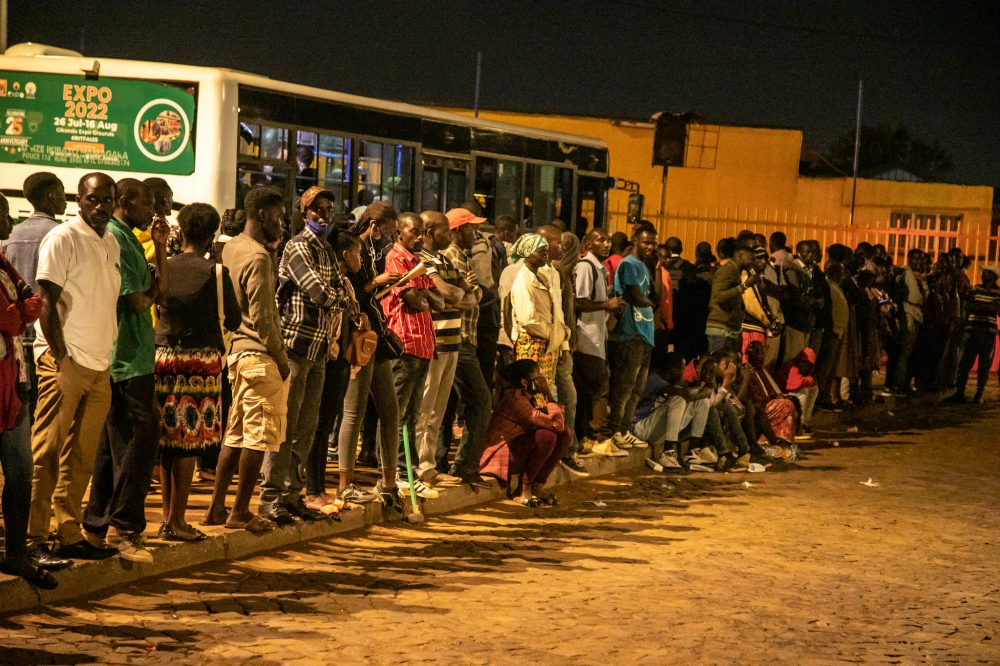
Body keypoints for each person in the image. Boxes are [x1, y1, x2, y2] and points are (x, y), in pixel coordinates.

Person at [28, 172, 121, 563]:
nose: (99, 206)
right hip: (65, 361)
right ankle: (32, 540)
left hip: (100, 366)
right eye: (92, 199)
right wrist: (60, 356)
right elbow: (45, 300)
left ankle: (67, 532)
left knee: (80, 456)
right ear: (77, 199)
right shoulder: (62, 238)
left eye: (107, 199)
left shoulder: (112, 242)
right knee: (46, 451)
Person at [82, 179, 170, 563]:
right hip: (125, 357)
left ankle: (97, 524)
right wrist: (150, 292)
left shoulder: (132, 238)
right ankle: (126, 528)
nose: (154, 209)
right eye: (147, 201)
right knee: (139, 439)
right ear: (125, 201)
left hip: (135, 356)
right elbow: (137, 300)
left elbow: (158, 292)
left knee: (114, 443)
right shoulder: (116, 238)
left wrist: (162, 248)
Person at [258, 186, 350, 525]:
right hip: (294, 348)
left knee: (306, 429)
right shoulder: (298, 247)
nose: (324, 215)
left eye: (328, 208)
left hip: (318, 350)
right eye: (317, 210)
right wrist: (339, 300)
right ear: (305, 213)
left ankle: (291, 493)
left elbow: (340, 290)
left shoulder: (325, 249)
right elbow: (321, 293)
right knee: (284, 427)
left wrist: (339, 299)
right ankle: (270, 498)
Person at [203, 186, 290, 534]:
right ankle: (240, 511)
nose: (283, 224)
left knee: (235, 434)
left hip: (235, 354)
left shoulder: (228, 248)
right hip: (259, 355)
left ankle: (215, 509)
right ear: (264, 215)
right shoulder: (257, 257)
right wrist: (282, 360)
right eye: (280, 217)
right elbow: (265, 319)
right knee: (258, 436)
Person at [154, 203, 241, 541]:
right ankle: (177, 520)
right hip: (201, 364)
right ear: (210, 236)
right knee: (188, 444)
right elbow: (232, 320)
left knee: (166, 443)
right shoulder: (216, 273)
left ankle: (165, 517)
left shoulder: (164, 266)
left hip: (161, 357)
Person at [338, 202, 405, 512]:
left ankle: (388, 481)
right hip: (357, 337)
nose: (388, 238)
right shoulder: (353, 249)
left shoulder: (372, 251)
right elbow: (352, 293)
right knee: (353, 411)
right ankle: (344, 485)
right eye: (386, 231)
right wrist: (378, 282)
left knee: (390, 410)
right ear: (374, 225)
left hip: (373, 334)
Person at [0, 211, 54, 588]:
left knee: (20, 473)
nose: (8, 221)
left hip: (13, 379)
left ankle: (16, 552)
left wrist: (20, 312)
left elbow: (30, 302)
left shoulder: (2, 260)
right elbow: (11, 317)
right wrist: (20, 312)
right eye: (3, 215)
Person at [306, 228, 371, 510]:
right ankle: (313, 489)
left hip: (341, 361)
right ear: (345, 255)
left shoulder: (343, 282)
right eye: (358, 252)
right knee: (319, 427)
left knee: (324, 425)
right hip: (330, 361)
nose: (361, 259)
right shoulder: (334, 282)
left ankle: (317, 488)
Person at [382, 212, 445, 499]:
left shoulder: (417, 263)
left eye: (422, 232)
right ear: (399, 234)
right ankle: (395, 472)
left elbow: (439, 300)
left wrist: (425, 295)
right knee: (396, 412)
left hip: (422, 344)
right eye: (414, 232)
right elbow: (415, 299)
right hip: (404, 342)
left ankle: (409, 471)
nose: (420, 237)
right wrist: (425, 294)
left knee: (411, 413)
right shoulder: (396, 258)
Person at [414, 210, 475, 484]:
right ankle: (418, 467)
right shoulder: (423, 260)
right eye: (445, 230)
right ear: (429, 232)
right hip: (434, 342)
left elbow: (473, 297)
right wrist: (454, 296)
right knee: (424, 408)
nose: (450, 234)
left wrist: (452, 297)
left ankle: (428, 466)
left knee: (438, 410)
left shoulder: (442, 259)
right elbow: (451, 293)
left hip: (451, 342)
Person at [2, 173, 66, 422]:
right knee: (47, 412)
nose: (65, 201)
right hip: (47, 334)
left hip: (15, 335)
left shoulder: (11, 235)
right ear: (52, 196)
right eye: (62, 194)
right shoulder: (63, 235)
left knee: (20, 410)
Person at [437, 207, 494, 486]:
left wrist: (471, 291)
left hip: (462, 337)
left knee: (446, 405)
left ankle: (445, 463)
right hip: (455, 338)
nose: (477, 233)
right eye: (472, 228)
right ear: (458, 231)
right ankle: (464, 467)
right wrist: (470, 291)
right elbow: (462, 298)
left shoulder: (462, 258)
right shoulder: (450, 257)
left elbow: (478, 292)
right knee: (481, 401)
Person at [480, 359, 569, 508]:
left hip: (515, 451)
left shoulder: (526, 396)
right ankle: (523, 489)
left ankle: (537, 487)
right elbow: (556, 424)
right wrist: (547, 394)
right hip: (499, 456)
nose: (541, 381)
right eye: (537, 377)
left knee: (565, 435)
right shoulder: (515, 399)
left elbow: (560, 427)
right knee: (547, 437)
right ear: (524, 381)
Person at [571, 228, 624, 462]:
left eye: (608, 240)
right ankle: (601, 438)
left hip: (595, 338)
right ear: (588, 244)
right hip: (586, 338)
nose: (606, 244)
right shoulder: (586, 267)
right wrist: (607, 305)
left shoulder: (599, 270)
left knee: (587, 391)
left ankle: (586, 437)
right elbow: (579, 302)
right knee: (601, 387)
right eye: (601, 240)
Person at [606, 224, 659, 453]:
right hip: (631, 332)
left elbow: (654, 296)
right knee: (624, 387)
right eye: (646, 242)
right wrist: (649, 303)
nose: (650, 247)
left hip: (645, 333)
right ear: (635, 240)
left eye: (653, 243)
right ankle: (615, 431)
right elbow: (637, 297)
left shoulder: (645, 267)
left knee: (637, 388)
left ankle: (625, 430)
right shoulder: (628, 264)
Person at [631, 352, 711, 472]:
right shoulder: (654, 379)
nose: (683, 374)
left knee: (702, 401)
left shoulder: (671, 382)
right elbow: (687, 394)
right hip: (641, 428)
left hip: (658, 430)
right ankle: (668, 452)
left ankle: (692, 451)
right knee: (679, 399)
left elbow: (705, 394)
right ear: (673, 370)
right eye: (682, 370)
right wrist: (701, 386)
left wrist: (704, 389)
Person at [509, 233, 569, 389]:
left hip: (544, 343)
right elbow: (528, 320)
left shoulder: (542, 277)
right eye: (540, 251)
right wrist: (554, 333)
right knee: (533, 392)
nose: (545, 254)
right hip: (532, 344)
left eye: (546, 250)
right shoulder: (523, 281)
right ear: (527, 253)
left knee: (543, 391)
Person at [948, 267, 1000, 404]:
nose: (983, 275)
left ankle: (978, 394)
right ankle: (960, 392)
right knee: (965, 363)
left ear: (995, 276)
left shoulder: (995, 292)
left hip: (983, 331)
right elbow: (969, 305)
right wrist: (987, 307)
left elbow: (994, 308)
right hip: (976, 331)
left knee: (984, 365)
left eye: (987, 273)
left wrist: (979, 306)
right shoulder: (977, 288)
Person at [706, 246, 757, 353]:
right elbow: (717, 296)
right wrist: (744, 286)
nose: (753, 262)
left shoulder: (735, 270)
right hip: (721, 329)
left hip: (729, 329)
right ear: (740, 256)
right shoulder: (728, 270)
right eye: (751, 259)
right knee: (721, 364)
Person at [776, 347, 819, 435]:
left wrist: (810, 381)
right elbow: (793, 385)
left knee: (814, 389)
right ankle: (797, 426)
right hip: (780, 394)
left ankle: (804, 423)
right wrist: (810, 380)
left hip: (786, 392)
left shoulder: (799, 366)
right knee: (803, 393)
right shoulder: (792, 366)